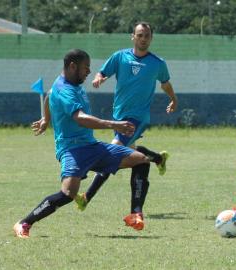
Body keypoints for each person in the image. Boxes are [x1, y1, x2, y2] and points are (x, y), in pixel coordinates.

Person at [13, 49, 151, 238]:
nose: (89, 71)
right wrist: (113, 124)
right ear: (72, 66)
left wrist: (45, 119)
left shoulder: (69, 83)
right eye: (86, 67)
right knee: (69, 194)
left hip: (92, 146)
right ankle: (24, 222)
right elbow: (80, 118)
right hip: (71, 150)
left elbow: (49, 94)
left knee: (141, 160)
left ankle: (136, 213)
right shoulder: (65, 90)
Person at [73, 21, 178, 230]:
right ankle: (157, 158)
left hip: (138, 118)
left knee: (112, 152)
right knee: (128, 153)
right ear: (133, 37)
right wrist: (99, 79)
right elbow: (102, 72)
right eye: (139, 35)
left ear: (151, 38)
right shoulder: (120, 57)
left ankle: (87, 196)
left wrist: (173, 99)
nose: (143, 38)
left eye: (147, 35)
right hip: (119, 116)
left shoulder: (157, 62)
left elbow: (165, 83)